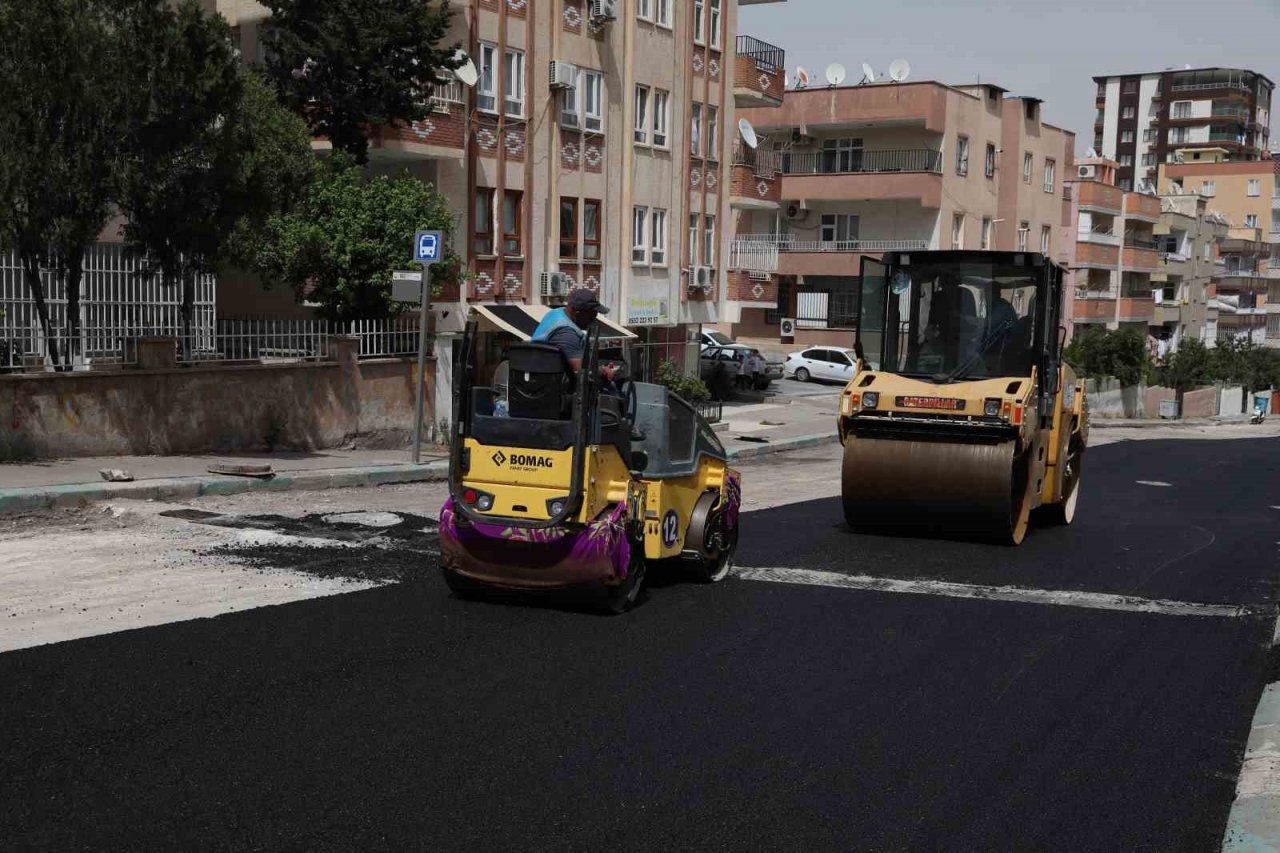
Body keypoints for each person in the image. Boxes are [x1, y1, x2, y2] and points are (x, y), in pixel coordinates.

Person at [531, 287, 619, 383]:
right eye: (592, 315)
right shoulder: (567, 333)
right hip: (558, 389)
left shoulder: (554, 313)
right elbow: (581, 374)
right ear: (577, 313)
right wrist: (604, 372)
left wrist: (600, 367)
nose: (593, 319)